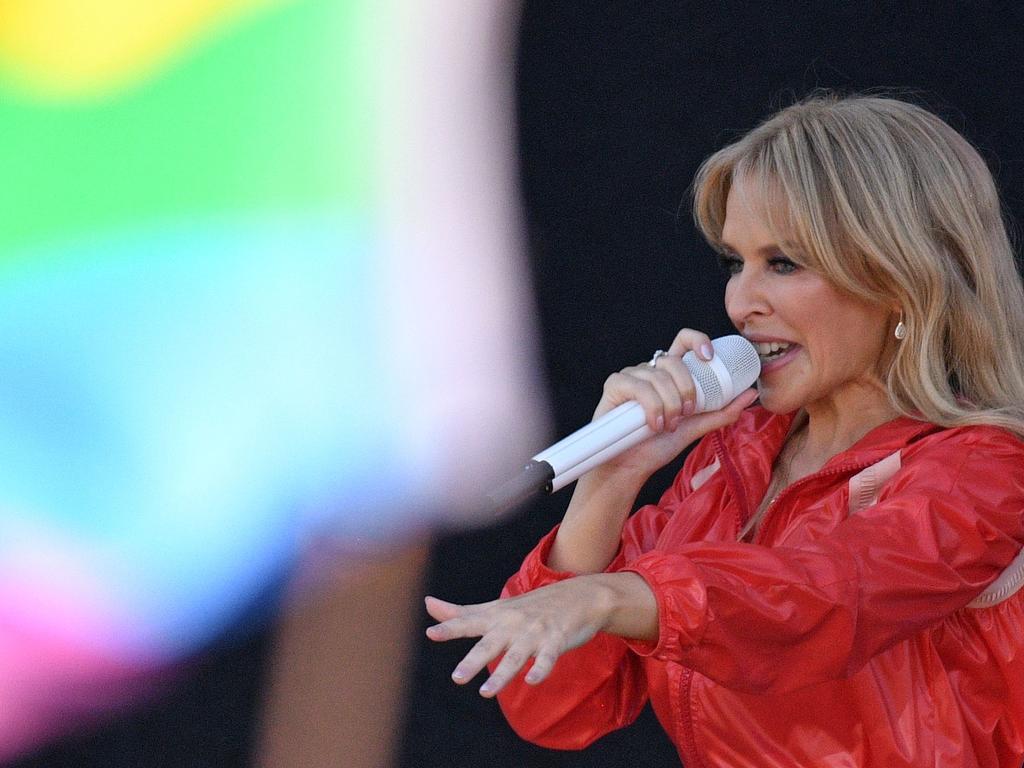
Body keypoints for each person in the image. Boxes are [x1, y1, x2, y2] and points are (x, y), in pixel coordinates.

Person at [425, 93, 1024, 767]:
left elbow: (824, 597)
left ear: (900, 280)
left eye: (784, 263)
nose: (741, 301)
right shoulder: (730, 460)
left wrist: (611, 595)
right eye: (736, 263)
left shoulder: (984, 470)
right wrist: (609, 481)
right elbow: (556, 708)